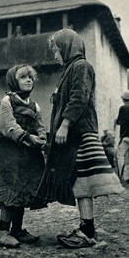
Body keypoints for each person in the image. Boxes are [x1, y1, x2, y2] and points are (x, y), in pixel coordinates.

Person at [35, 28, 123, 249]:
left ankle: (87, 230)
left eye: (56, 50)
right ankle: (87, 227)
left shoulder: (81, 66)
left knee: (83, 181)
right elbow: (71, 97)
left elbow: (79, 98)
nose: (55, 55)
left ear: (66, 47)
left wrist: (64, 125)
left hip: (79, 133)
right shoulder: (69, 70)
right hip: (74, 134)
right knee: (79, 181)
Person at [0, 64, 47, 247]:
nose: (28, 80)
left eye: (30, 77)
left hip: (28, 155)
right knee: (10, 190)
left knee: (22, 190)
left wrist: (42, 136)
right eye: (23, 77)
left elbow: (39, 124)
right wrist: (27, 137)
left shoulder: (34, 105)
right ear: (14, 81)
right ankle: (2, 231)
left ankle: (17, 230)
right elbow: (8, 125)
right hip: (9, 154)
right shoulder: (7, 101)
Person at [114, 90, 129, 184]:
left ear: (124, 99)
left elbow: (119, 121)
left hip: (126, 137)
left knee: (120, 156)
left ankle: (121, 177)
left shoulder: (123, 108)